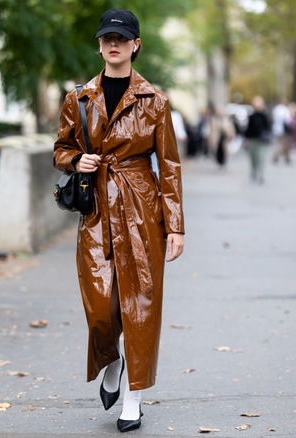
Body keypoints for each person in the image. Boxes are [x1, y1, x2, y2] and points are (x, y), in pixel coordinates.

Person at [53, 9, 185, 433]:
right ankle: (111, 361)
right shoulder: (79, 97)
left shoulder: (155, 101)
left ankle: (134, 397)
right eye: (107, 37)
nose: (114, 43)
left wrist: (176, 225)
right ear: (99, 45)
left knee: (140, 304)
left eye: (122, 37)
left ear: (135, 45)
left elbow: (169, 166)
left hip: (141, 206)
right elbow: (59, 148)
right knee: (99, 306)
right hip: (95, 208)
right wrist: (77, 159)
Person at [244, 96, 271, 184]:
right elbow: (248, 129)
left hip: (262, 140)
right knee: (253, 157)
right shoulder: (251, 116)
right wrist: (246, 139)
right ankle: (254, 170)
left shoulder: (265, 115)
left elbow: (268, 127)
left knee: (261, 157)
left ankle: (261, 175)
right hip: (252, 140)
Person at [271, 99, 292, 164]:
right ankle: (276, 156)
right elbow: (288, 120)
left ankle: (287, 157)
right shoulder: (285, 110)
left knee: (284, 144)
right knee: (284, 144)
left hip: (276, 129)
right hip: (284, 130)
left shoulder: (276, 109)